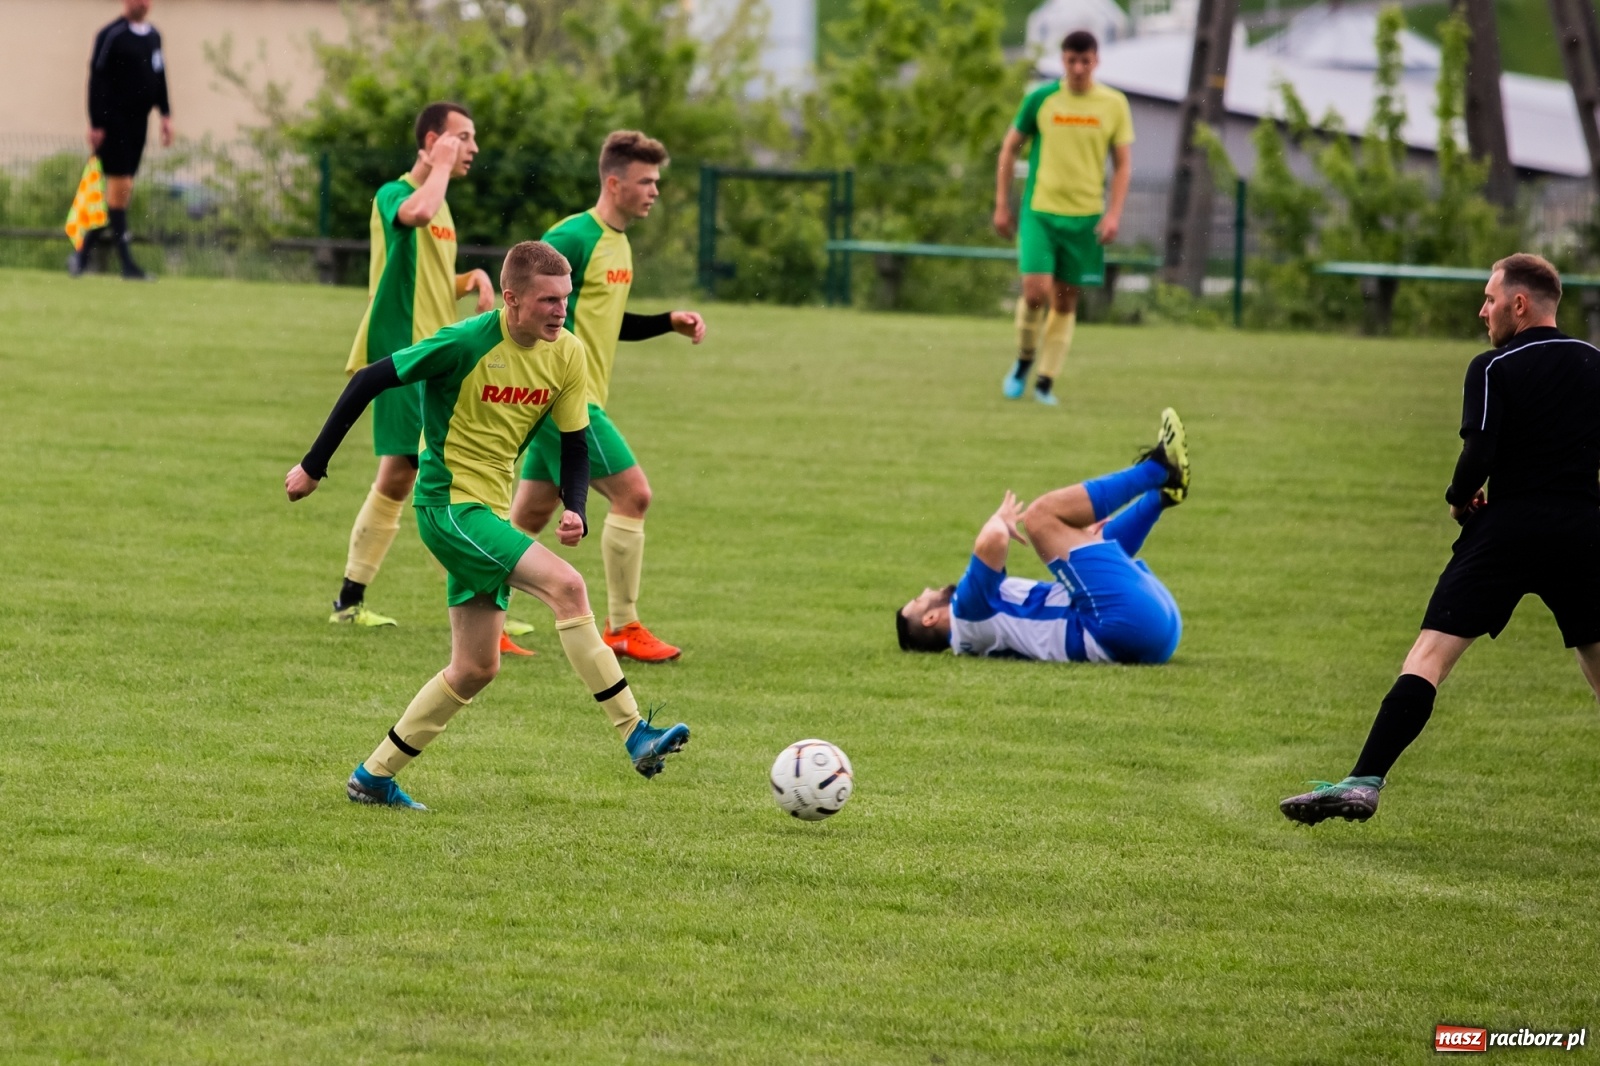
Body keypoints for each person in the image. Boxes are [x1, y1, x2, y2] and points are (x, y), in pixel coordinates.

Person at [285, 241, 691, 811]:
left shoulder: (567, 353)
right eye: (548, 300)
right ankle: (635, 732)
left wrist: (575, 506)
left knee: (475, 667)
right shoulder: (465, 342)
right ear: (511, 298)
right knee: (568, 587)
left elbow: (575, 443)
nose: (561, 310)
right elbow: (370, 379)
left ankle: (373, 777)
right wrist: (313, 466)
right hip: (448, 507)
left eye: (566, 298)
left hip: (488, 513)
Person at [1281, 254, 1600, 826]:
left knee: (1429, 656)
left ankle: (1365, 780)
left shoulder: (1492, 367)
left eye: (1490, 299)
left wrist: (1458, 499)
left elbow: (1479, 452)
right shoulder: (1594, 362)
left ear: (1518, 304)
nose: (1483, 311)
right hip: (1583, 528)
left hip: (1506, 530)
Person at [509, 131, 706, 663]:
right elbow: (526, 306)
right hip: (563, 398)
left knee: (528, 516)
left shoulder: (619, 244)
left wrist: (666, 322)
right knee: (633, 495)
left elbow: (604, 320)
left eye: (657, 182)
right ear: (614, 183)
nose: (655, 191)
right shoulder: (572, 237)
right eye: (646, 181)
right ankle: (623, 626)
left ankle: (487, 617)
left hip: (573, 395)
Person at [327, 103, 507, 646]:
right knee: (433, 471)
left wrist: (471, 278)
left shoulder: (440, 200)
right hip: (400, 354)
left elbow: (427, 280)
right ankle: (481, 602)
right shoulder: (395, 194)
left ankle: (350, 601)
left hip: (434, 354)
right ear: (432, 140)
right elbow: (418, 213)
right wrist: (441, 167)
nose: (473, 148)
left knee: (405, 475)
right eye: (462, 137)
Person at [898, 409, 1189, 663]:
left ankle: (1161, 496)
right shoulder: (965, 611)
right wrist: (1000, 520)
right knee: (1038, 518)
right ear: (930, 618)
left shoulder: (973, 636)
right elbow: (992, 541)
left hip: (1152, 635)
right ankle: (1158, 468)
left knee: (1088, 540)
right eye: (919, 598)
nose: (926, 590)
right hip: (1122, 624)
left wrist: (1080, 537)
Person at [993, 30, 1133, 407]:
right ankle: (1024, 360)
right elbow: (1009, 149)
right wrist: (1002, 204)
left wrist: (1114, 214)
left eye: (1085, 61)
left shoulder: (1114, 104)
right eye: (1072, 60)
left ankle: (1045, 381)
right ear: (1063, 60)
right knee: (1034, 292)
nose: (1078, 68)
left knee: (1065, 302)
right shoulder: (1041, 99)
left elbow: (1123, 165)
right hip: (1040, 211)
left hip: (1085, 218)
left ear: (1096, 61)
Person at [72, 0, 172, 280]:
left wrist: (166, 114)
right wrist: (96, 122)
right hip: (113, 121)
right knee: (121, 186)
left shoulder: (154, 36)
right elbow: (97, 79)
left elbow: (159, 75)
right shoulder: (111, 35)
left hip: (140, 123)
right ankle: (127, 265)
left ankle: (81, 255)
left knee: (120, 194)